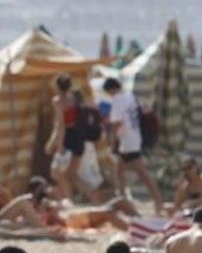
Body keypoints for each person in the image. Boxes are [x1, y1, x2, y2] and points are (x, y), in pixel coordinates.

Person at [103, 77, 164, 215]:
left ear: (110, 90)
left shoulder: (118, 99)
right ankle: (125, 201)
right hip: (133, 139)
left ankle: (157, 202)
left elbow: (117, 123)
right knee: (119, 171)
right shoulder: (129, 96)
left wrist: (112, 143)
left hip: (128, 142)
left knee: (142, 174)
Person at [47, 74, 95, 202]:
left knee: (56, 172)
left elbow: (61, 124)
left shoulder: (57, 101)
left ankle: (69, 201)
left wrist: (58, 145)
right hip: (80, 137)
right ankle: (91, 194)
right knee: (70, 174)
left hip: (68, 137)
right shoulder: (76, 97)